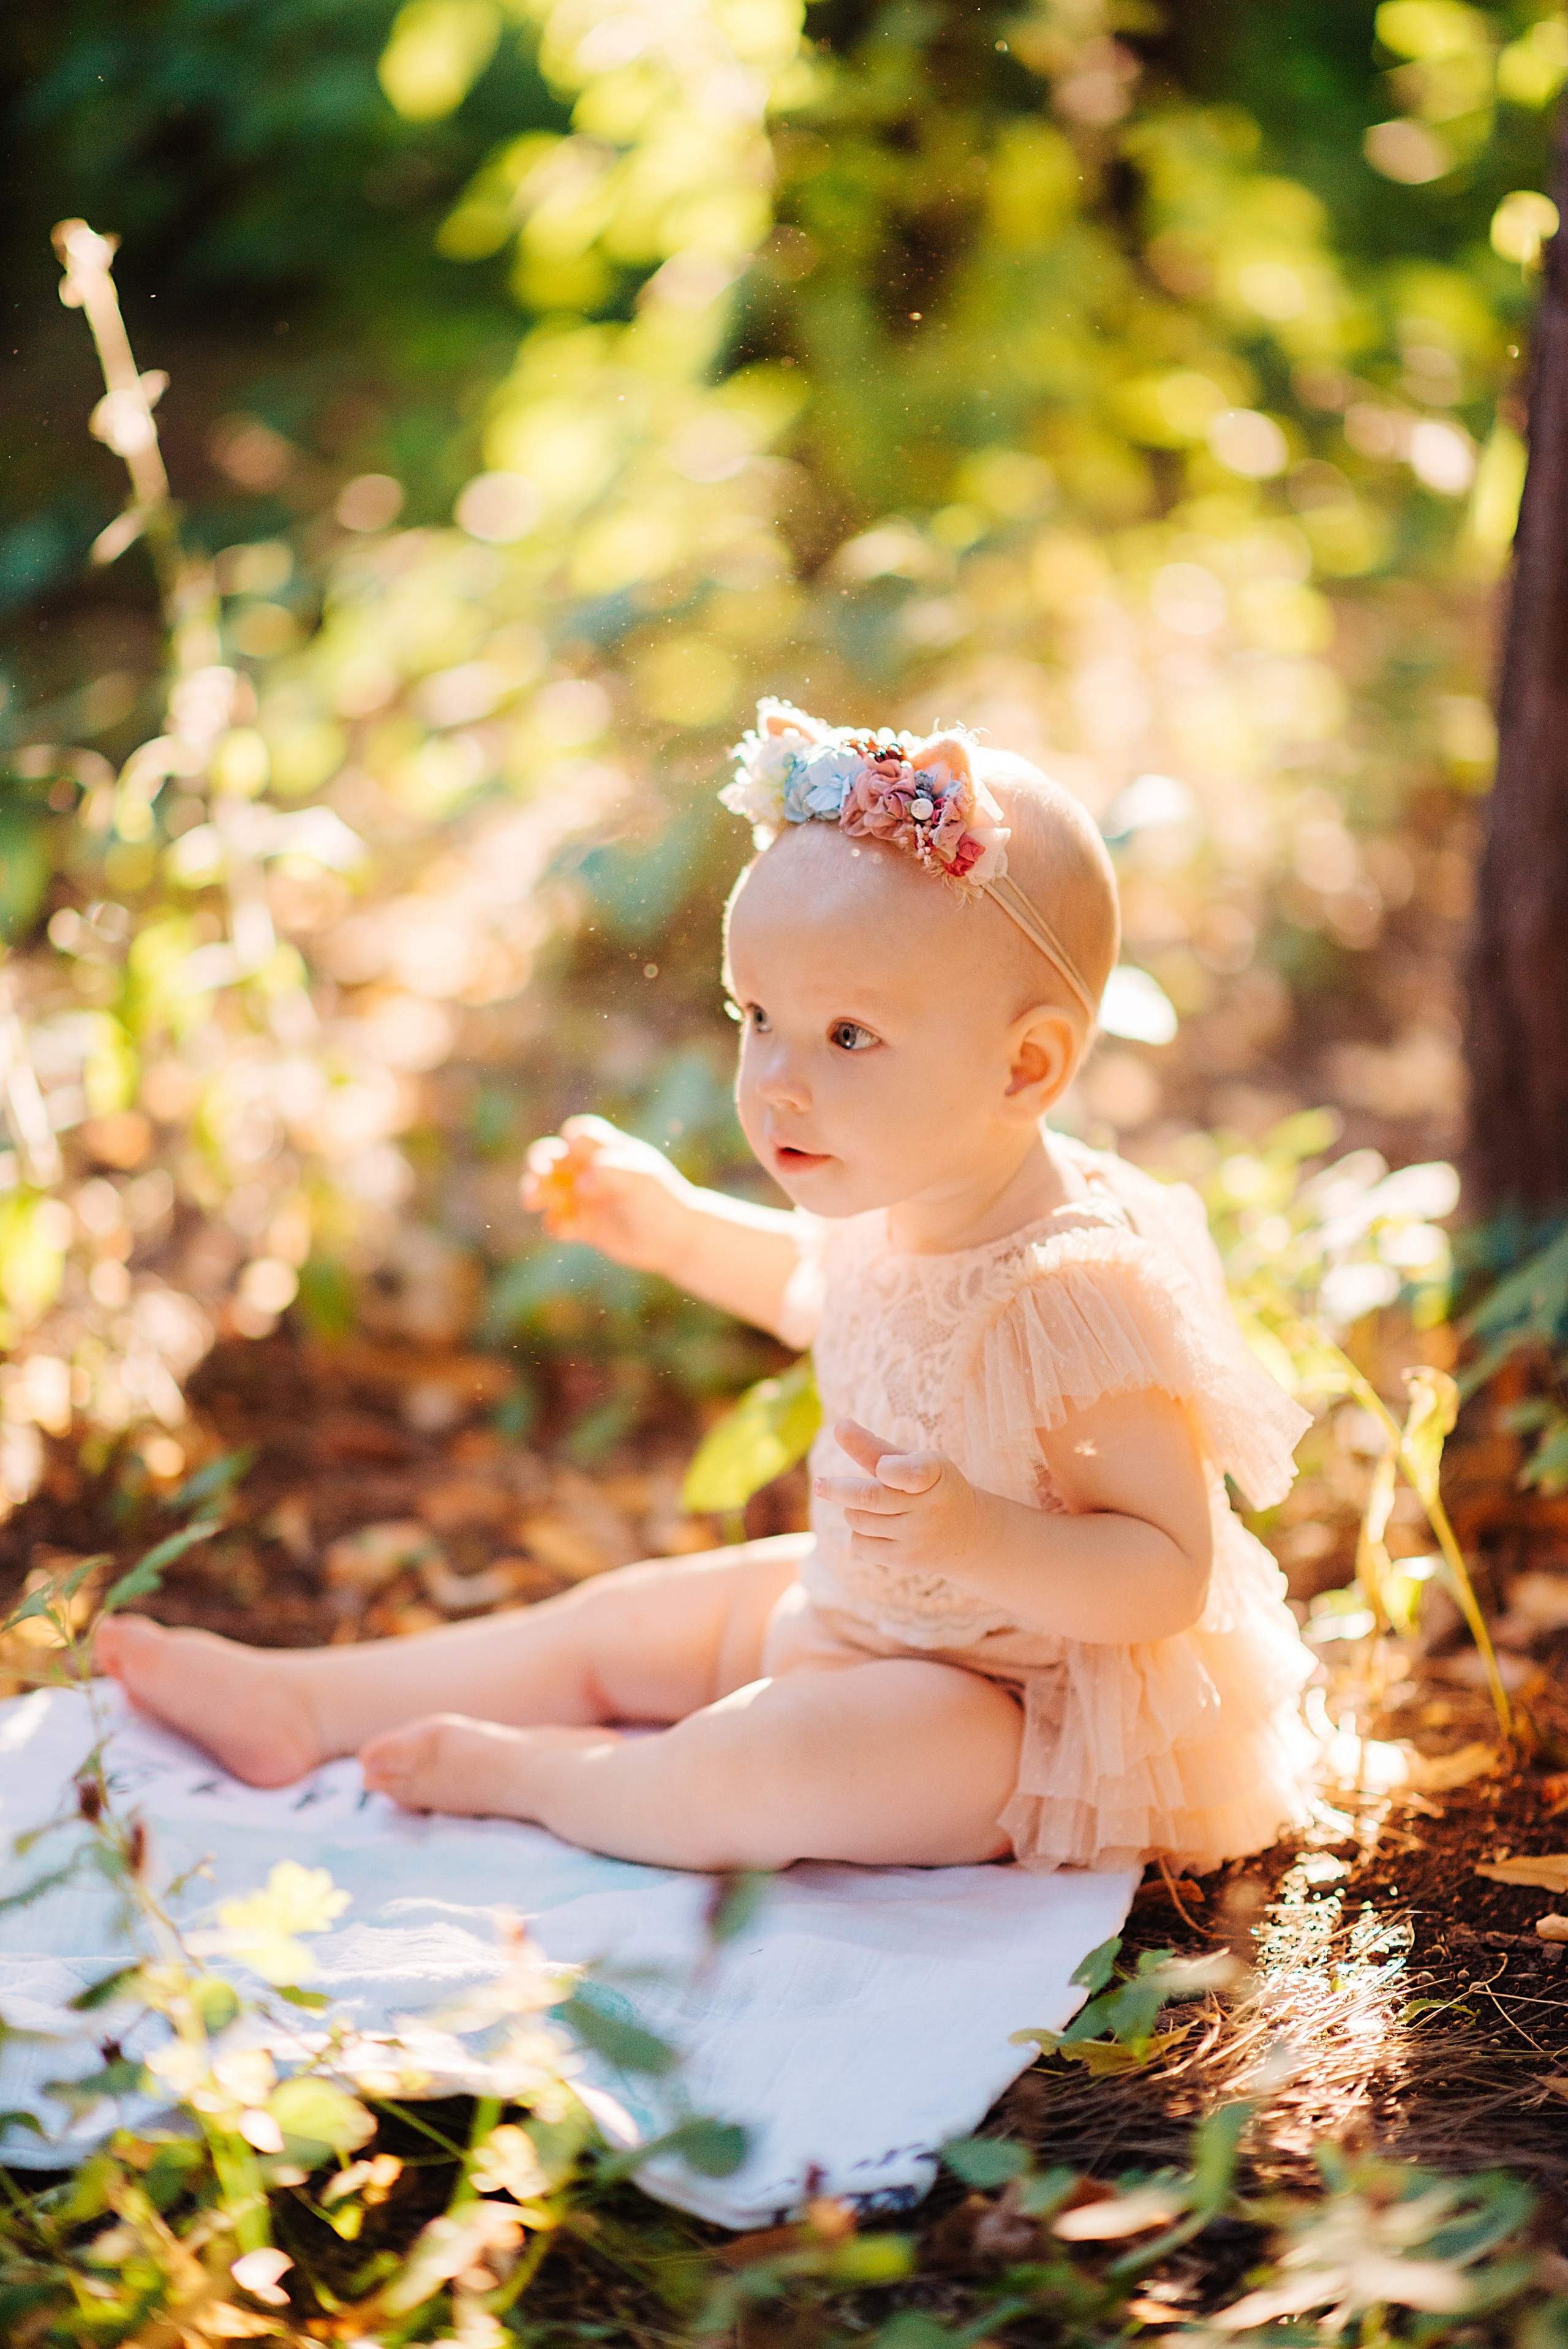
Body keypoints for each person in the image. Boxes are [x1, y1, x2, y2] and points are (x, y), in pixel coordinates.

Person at [96, 703, 1316, 1876]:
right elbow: (820, 1286)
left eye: (847, 1036)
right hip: (858, 1604)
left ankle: (549, 1777)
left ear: (1024, 1067)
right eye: (757, 1016)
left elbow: (1165, 1572)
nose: (776, 1080)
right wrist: (675, 1230)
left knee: (759, 1764)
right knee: (611, 1625)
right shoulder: (909, 1181)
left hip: (1003, 1704)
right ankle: (303, 1699)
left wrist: (978, 1537)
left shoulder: (1072, 1291)